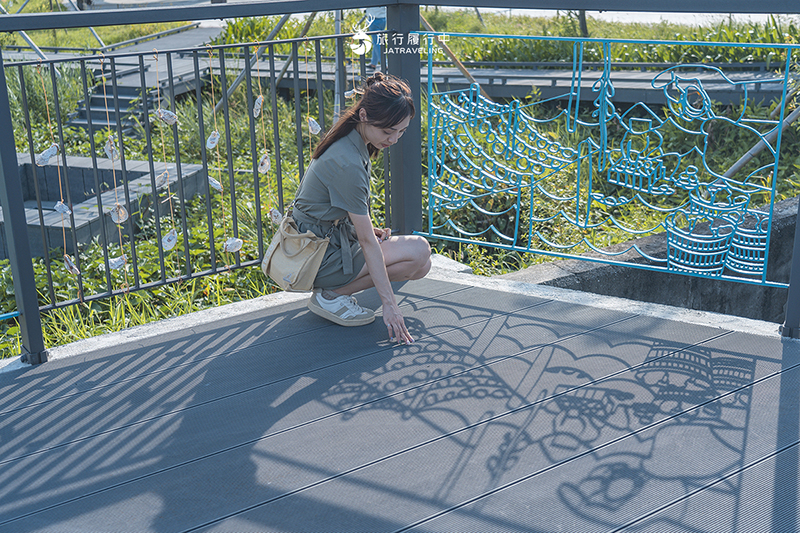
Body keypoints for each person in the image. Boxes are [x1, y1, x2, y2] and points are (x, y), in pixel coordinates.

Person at [292, 73, 431, 344]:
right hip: (318, 254)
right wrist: (389, 305)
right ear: (365, 115)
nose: (393, 139)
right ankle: (331, 295)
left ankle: (336, 291)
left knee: (421, 266)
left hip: (327, 240)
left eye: (401, 132)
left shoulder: (352, 139)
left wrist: (365, 230)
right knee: (419, 251)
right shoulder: (348, 162)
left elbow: (333, 207)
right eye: (388, 131)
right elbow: (367, 243)